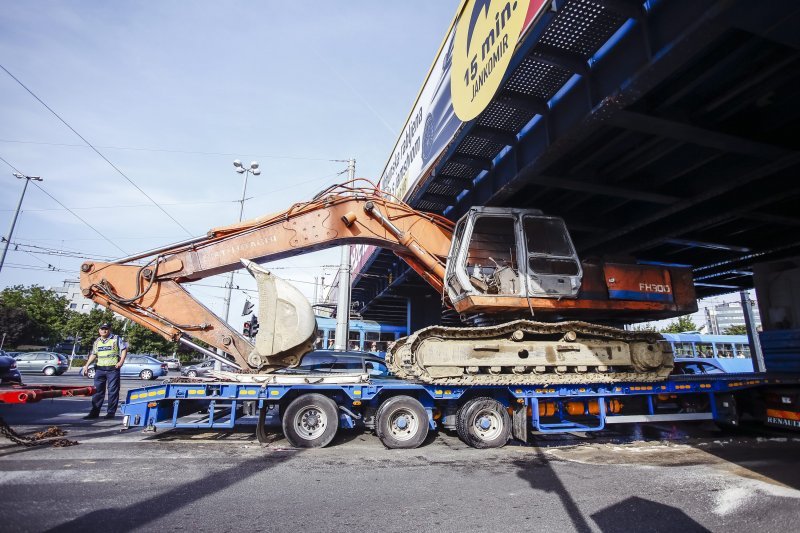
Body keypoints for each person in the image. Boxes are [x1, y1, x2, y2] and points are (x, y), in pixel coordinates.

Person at [82, 322, 128, 419]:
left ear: (109, 330)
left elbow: (124, 349)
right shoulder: (97, 341)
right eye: (102, 329)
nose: (104, 330)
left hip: (112, 369)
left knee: (112, 391)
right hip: (100, 369)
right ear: (99, 330)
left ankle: (110, 413)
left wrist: (121, 362)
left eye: (106, 329)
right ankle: (94, 412)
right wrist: (86, 365)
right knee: (97, 391)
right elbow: (94, 354)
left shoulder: (116, 339)